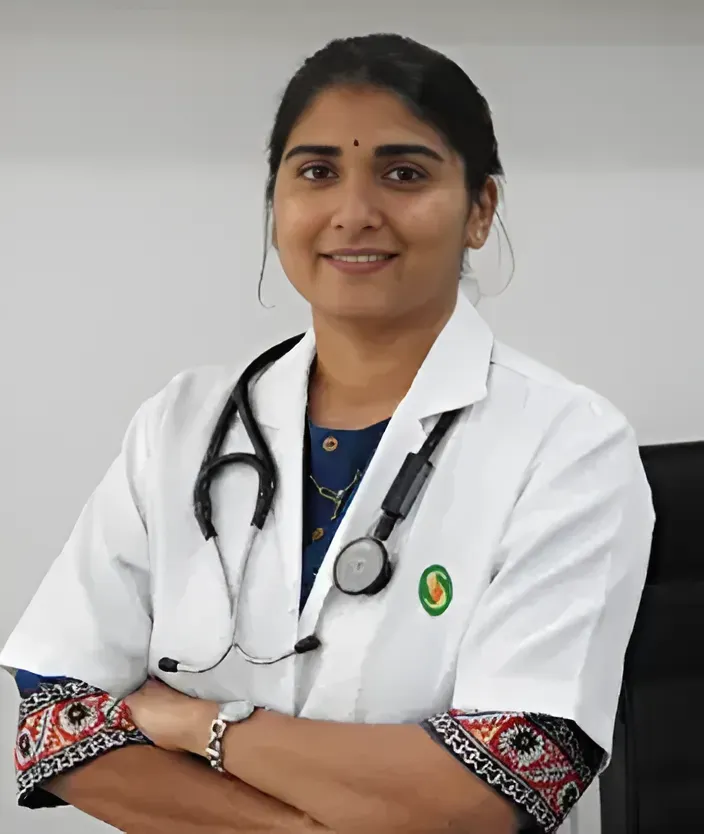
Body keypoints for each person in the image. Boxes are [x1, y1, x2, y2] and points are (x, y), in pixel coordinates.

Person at [0, 33, 654, 834]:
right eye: (316, 172)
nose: (354, 212)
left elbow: (502, 787)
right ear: (276, 202)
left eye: (404, 173)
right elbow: (53, 727)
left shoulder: (569, 446)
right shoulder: (180, 423)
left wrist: (200, 725)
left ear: (481, 209)